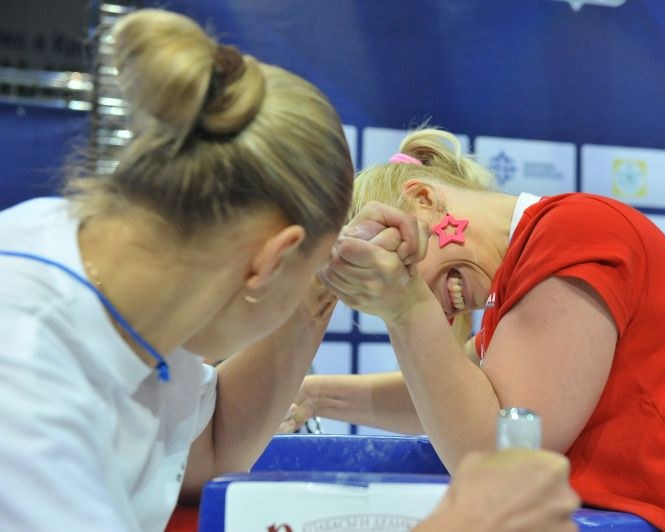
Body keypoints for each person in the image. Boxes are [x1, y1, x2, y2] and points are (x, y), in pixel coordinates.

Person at [0, 9, 579, 532]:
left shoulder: (126, 286)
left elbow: (209, 448)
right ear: (272, 260)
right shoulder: (24, 372)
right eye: (306, 275)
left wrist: (319, 284)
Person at [283, 127, 665, 530]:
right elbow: (437, 394)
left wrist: (404, 307)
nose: (438, 307)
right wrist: (314, 395)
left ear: (424, 201)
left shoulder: (573, 234)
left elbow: (496, 456)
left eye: (407, 268)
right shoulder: (521, 280)